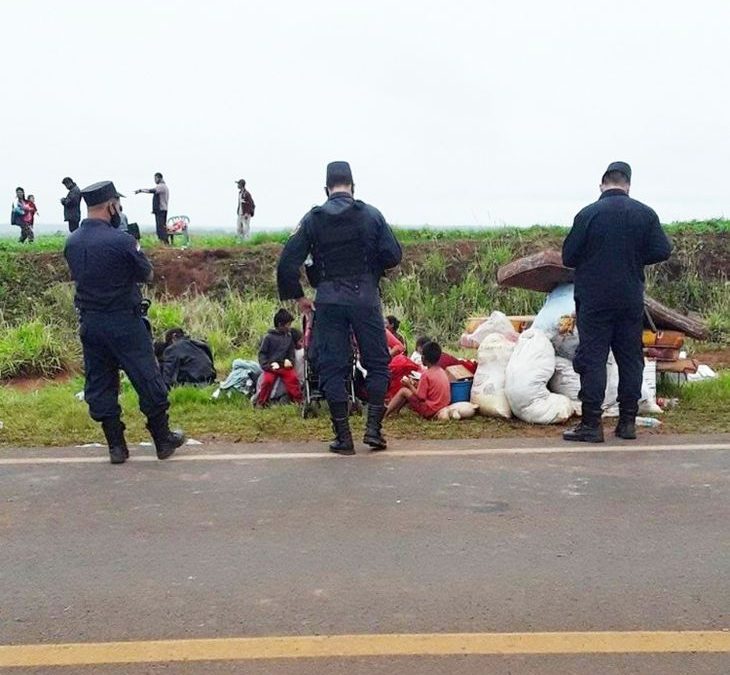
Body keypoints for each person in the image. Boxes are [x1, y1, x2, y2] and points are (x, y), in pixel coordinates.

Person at [277, 161, 403, 455]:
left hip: (329, 299)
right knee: (377, 362)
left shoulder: (313, 218)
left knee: (332, 367)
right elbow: (393, 255)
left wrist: (299, 298)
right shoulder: (371, 215)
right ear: (353, 186)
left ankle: (343, 437)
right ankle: (373, 430)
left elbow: (286, 263)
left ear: (326, 189)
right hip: (365, 298)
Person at [63, 181, 185, 464]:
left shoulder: (73, 242)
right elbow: (146, 273)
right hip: (124, 322)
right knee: (146, 377)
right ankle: (162, 439)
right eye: (117, 203)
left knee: (100, 382)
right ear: (111, 206)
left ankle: (116, 446)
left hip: (91, 325)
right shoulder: (122, 240)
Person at [562, 161, 672, 443]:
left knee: (593, 359)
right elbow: (662, 249)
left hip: (595, 299)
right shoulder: (645, 214)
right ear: (628, 185)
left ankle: (591, 425)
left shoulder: (588, 214)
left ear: (602, 184)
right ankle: (627, 424)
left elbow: (569, 257)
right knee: (630, 359)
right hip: (629, 298)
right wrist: (634, 258)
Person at [385, 341, 451, 419]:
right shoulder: (442, 371)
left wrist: (409, 385)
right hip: (442, 407)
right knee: (410, 391)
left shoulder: (426, 374)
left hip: (430, 410)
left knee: (404, 391)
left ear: (423, 358)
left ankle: (384, 413)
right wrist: (415, 385)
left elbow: (421, 397)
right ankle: (395, 411)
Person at [257, 308, 303, 406]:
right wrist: (267, 366)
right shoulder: (268, 338)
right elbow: (262, 353)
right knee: (267, 382)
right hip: (271, 367)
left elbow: (291, 353)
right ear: (280, 325)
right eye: (288, 325)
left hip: (284, 366)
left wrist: (290, 361)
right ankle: (261, 402)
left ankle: (299, 400)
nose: (289, 327)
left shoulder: (289, 337)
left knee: (293, 380)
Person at [135, 172, 170, 244]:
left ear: (159, 178)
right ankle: (164, 242)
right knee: (161, 227)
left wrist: (141, 190)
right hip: (161, 209)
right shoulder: (163, 186)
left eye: (155, 178)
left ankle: (164, 243)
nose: (155, 180)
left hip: (161, 209)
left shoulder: (161, 186)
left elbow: (151, 190)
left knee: (161, 227)